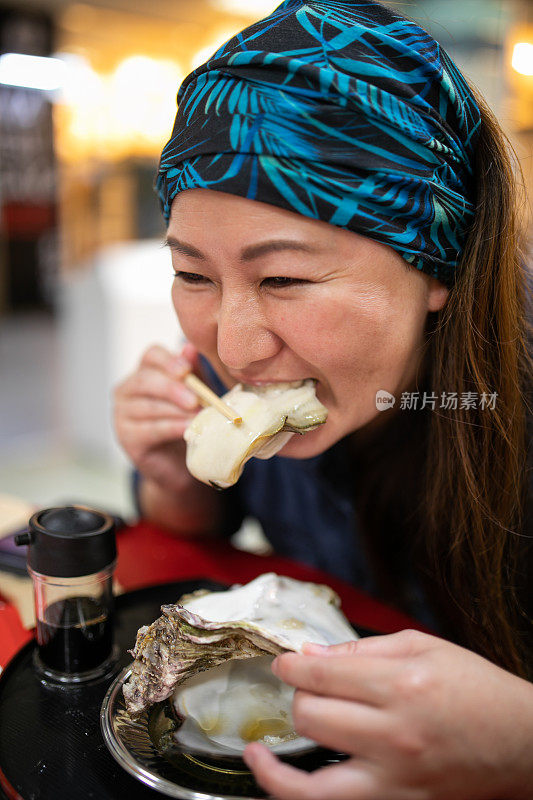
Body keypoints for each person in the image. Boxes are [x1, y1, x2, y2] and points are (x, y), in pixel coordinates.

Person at [114, 1, 533, 797]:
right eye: (193, 273)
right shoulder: (265, 376)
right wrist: (174, 481)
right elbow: (203, 546)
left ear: (435, 269)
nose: (233, 345)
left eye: (284, 279)